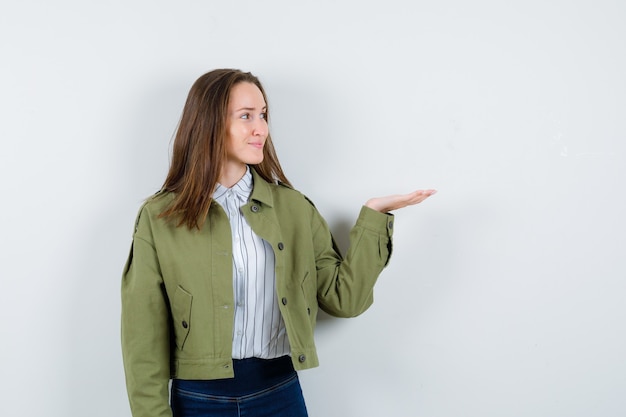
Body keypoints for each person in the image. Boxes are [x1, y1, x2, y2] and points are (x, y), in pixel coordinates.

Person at [121, 68, 436, 417]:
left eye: (263, 115)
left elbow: (345, 300)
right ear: (209, 123)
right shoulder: (160, 216)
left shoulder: (293, 209)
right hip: (199, 402)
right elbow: (142, 338)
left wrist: (374, 217)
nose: (261, 129)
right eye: (246, 116)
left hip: (279, 394)